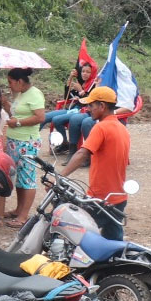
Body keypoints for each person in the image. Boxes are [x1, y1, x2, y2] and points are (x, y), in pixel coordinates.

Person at [59, 85, 132, 240]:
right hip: (119, 197)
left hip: (100, 198)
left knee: (75, 237)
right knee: (113, 241)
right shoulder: (122, 128)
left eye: (91, 105)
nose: (88, 109)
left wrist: (60, 177)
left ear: (102, 106)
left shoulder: (101, 128)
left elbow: (82, 154)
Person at [2, 68, 46, 225]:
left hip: (27, 141)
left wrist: (18, 123)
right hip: (16, 140)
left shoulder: (34, 94)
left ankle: (23, 216)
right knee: (19, 178)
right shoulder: (20, 94)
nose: (9, 86)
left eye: (10, 82)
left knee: (27, 178)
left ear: (19, 81)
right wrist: (6, 105)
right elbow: (16, 114)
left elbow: (40, 117)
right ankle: (18, 210)